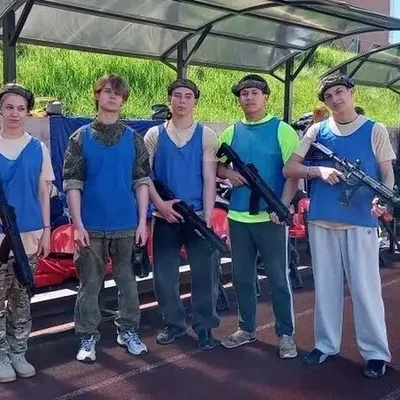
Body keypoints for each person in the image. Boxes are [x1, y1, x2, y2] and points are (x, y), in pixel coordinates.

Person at [283, 74, 394, 379]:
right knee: (326, 288)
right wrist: (317, 171)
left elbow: (387, 174)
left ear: (351, 92)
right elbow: (290, 168)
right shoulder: (316, 131)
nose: (335, 99)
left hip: (360, 221)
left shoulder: (375, 130)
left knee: (366, 291)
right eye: (328, 95)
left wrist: (382, 200)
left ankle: (375, 353)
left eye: (339, 92)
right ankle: (326, 345)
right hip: (322, 219)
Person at [63, 74, 150, 363]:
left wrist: (142, 222)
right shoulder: (80, 138)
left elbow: (141, 182)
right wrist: (78, 225)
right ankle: (87, 336)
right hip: (90, 226)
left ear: (123, 100)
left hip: (126, 225)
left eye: (118, 93)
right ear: (97, 95)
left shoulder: (134, 139)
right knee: (89, 285)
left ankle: (129, 331)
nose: (113, 96)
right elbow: (72, 183)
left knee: (128, 284)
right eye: (107, 91)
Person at [216, 74, 300, 359]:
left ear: (266, 97)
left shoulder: (283, 130)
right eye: (244, 93)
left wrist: (282, 206)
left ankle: (285, 334)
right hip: (238, 218)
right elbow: (216, 167)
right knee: (241, 277)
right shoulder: (230, 133)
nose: (249, 97)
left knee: (278, 279)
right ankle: (246, 328)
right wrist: (229, 173)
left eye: (254, 92)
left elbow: (293, 173)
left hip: (271, 219)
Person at [144, 78, 220, 351]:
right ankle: (174, 324)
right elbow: (145, 177)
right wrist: (160, 205)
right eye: (177, 95)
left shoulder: (206, 135)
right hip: (164, 218)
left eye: (188, 96)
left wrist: (208, 215)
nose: (182, 101)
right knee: (164, 277)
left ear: (195, 102)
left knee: (205, 276)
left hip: (196, 215)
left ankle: (205, 327)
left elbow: (210, 178)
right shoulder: (153, 135)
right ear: (170, 99)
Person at [0, 83, 54, 382]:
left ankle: (18, 351)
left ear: (28, 113)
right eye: (9, 107)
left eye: (21, 108)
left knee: (22, 299)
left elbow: (44, 192)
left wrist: (46, 230)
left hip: (30, 234)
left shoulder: (38, 148)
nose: (14, 113)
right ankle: (0, 355)